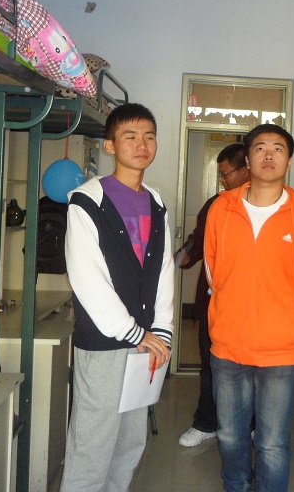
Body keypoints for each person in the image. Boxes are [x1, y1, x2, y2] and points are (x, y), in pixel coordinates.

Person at [205, 123, 294, 492]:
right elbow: (213, 269)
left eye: (278, 148)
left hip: (281, 352)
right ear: (247, 159)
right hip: (228, 347)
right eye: (260, 148)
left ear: (289, 161)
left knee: (272, 443)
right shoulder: (221, 208)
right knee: (230, 437)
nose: (269, 154)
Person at [60, 103, 174, 492]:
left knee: (130, 443)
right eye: (130, 136)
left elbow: (163, 269)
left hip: (146, 342)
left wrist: (162, 330)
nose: (142, 145)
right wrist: (132, 332)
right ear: (110, 145)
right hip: (106, 342)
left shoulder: (156, 202)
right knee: (92, 444)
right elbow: (87, 277)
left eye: (149, 136)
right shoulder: (86, 201)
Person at [177, 142, 250, 447]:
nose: (222, 180)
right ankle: (206, 423)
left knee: (251, 368)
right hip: (214, 302)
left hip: (253, 304)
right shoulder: (216, 204)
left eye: (226, 173)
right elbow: (197, 241)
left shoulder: (272, 205)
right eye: (220, 174)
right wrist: (177, 258)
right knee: (210, 363)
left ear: (245, 169)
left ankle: (251, 425)